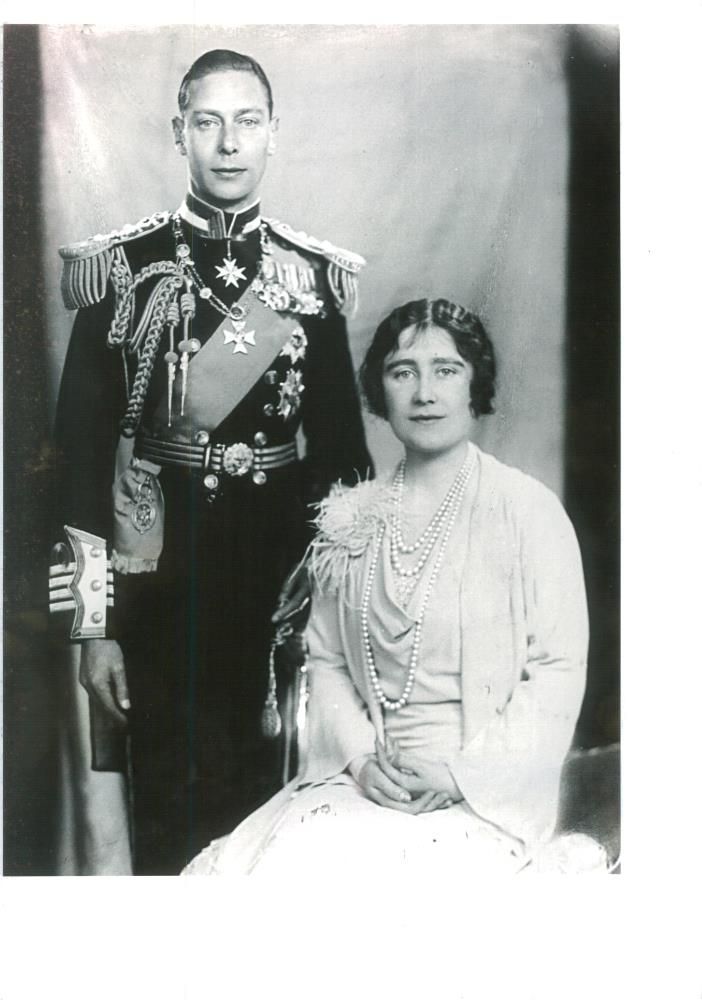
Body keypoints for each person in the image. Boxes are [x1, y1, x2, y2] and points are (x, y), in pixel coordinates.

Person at [49, 49, 372, 874]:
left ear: (273, 136)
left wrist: (336, 612)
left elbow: (344, 461)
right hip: (157, 582)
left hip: (277, 584)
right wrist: (95, 631)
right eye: (208, 122)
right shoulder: (121, 269)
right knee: (165, 820)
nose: (229, 143)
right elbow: (80, 463)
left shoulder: (311, 279)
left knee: (269, 826)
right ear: (179, 135)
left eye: (247, 122)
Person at [183, 297, 608, 877]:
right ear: (380, 391)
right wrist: (359, 761)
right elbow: (326, 659)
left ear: (474, 386)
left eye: (446, 370)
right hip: (367, 783)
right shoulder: (347, 517)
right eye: (402, 372)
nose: (424, 392)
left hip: (479, 792)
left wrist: (457, 775)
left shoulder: (528, 512)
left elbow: (558, 668)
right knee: (293, 871)